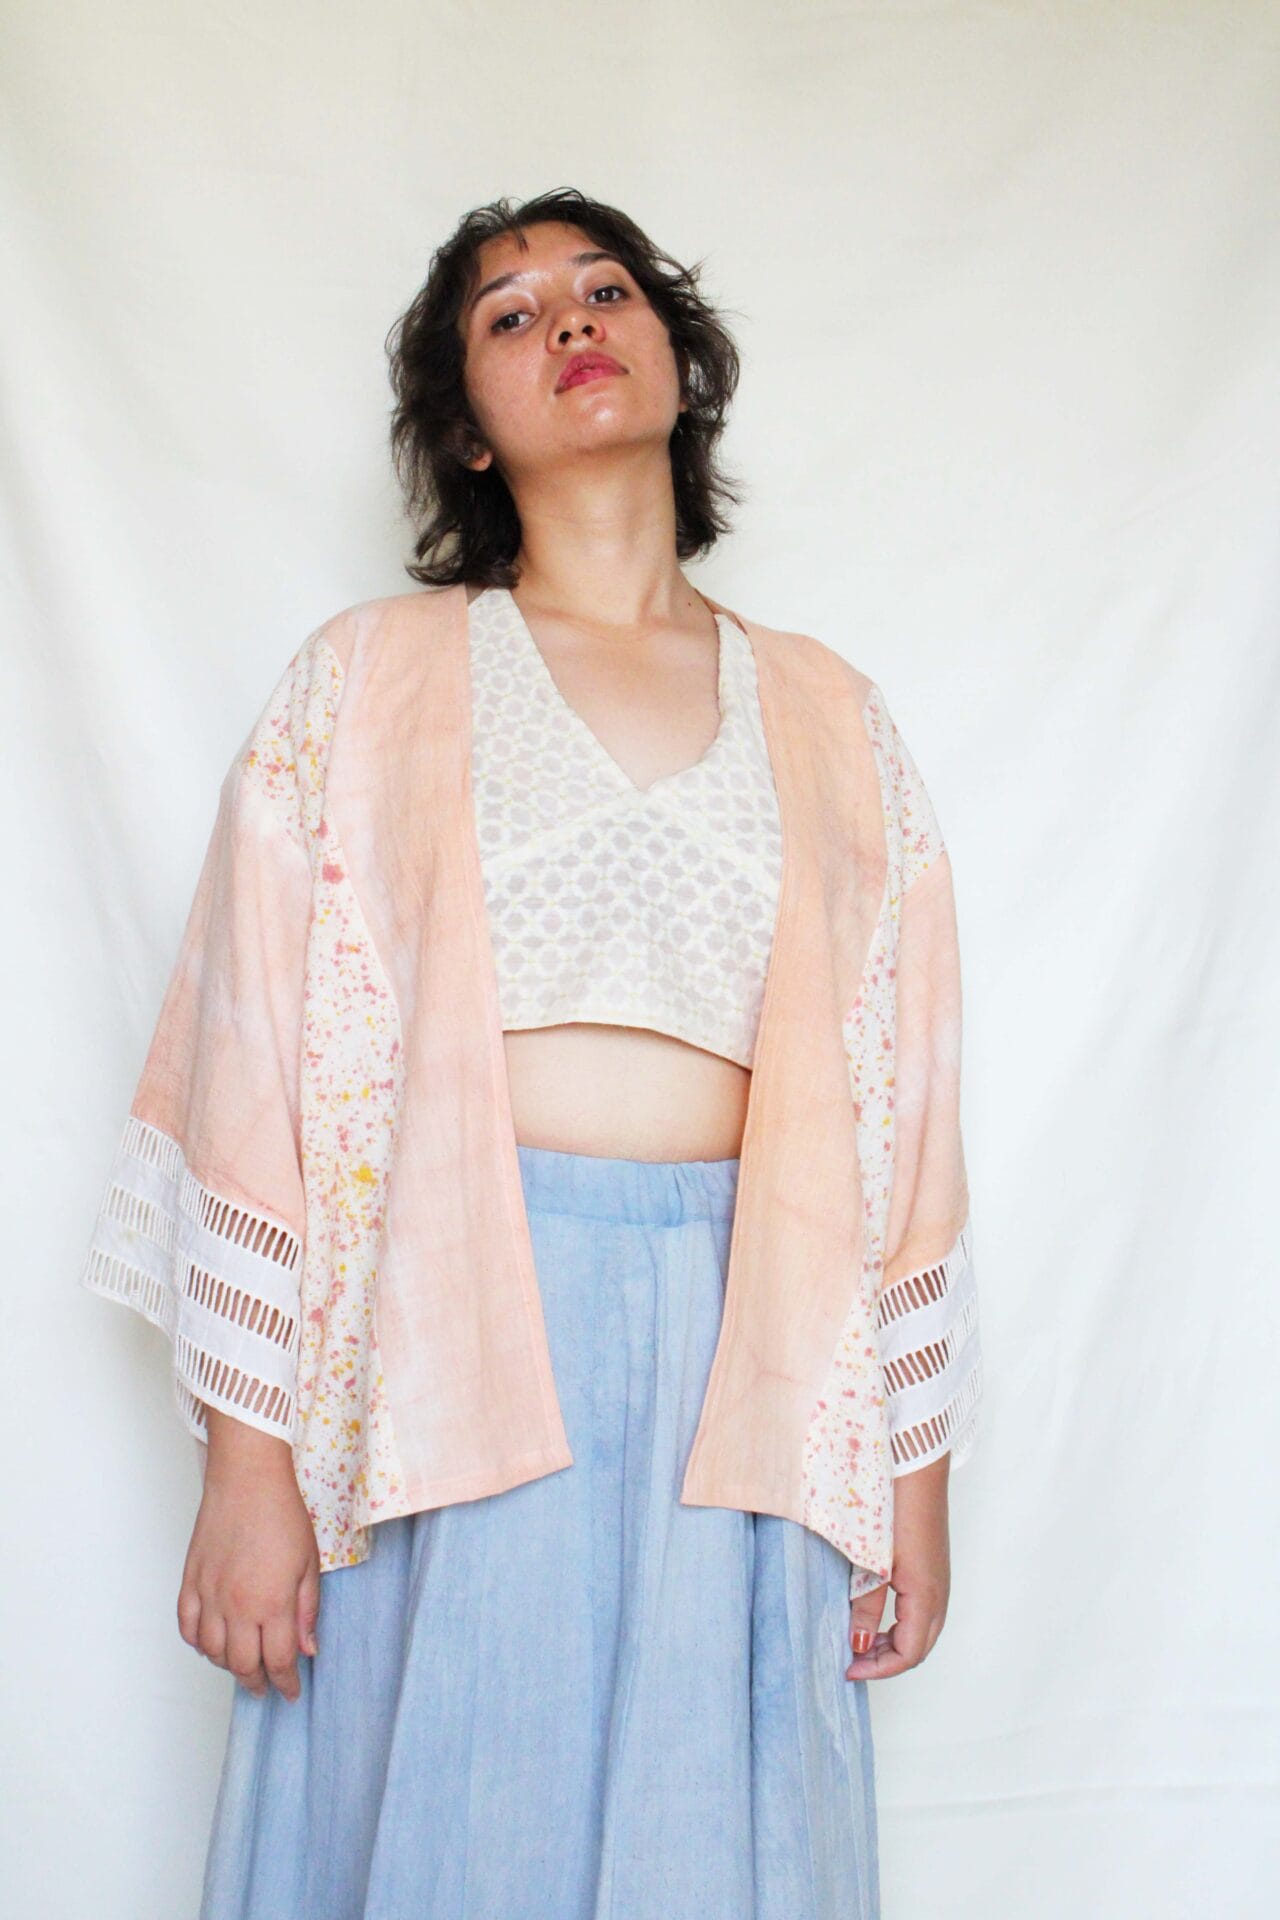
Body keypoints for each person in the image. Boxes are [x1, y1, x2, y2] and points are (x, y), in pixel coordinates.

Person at [80, 187, 982, 1920]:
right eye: (510, 314)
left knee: (714, 1848)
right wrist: (247, 1470)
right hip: (438, 1334)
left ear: (676, 362)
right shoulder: (369, 680)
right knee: (440, 1831)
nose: (568, 319)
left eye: (604, 288)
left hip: (751, 1350)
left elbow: (909, 1109)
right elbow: (248, 1068)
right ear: (469, 433)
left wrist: (915, 1484)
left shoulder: (833, 713)